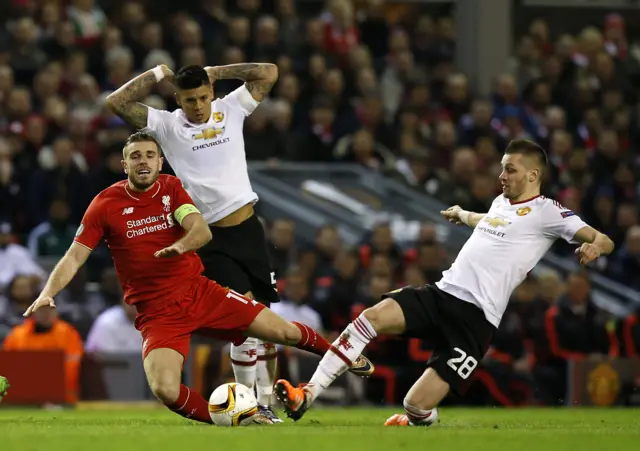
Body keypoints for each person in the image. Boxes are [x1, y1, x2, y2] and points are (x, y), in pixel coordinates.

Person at [23, 132, 374, 425]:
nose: (143, 161)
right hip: (157, 312)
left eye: (150, 155)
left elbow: (201, 230)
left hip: (199, 292)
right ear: (124, 164)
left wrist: (180, 247)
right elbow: (74, 256)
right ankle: (236, 417)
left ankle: (344, 357)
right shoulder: (105, 204)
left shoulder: (171, 188)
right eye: (135, 156)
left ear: (160, 163)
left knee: (282, 331)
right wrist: (47, 292)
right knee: (165, 388)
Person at [274, 139, 615, 425]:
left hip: (477, 320)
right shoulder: (501, 203)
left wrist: (595, 246)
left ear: (533, 174)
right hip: (442, 293)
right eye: (502, 168)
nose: (502, 176)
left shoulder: (549, 212)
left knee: (414, 405)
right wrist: (463, 215)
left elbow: (603, 238)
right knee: (371, 317)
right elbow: (492, 221)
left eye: (510, 169)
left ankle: (423, 417)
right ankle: (307, 394)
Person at [105, 61, 287, 420]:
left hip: (249, 229)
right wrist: (156, 74)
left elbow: (268, 71)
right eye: (189, 100)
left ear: (211, 94)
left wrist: (217, 71)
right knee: (247, 320)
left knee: (267, 324)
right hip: (208, 236)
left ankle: (267, 403)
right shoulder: (166, 124)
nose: (198, 106)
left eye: (203, 98)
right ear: (177, 99)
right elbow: (117, 102)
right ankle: (251, 405)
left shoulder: (230, 108)